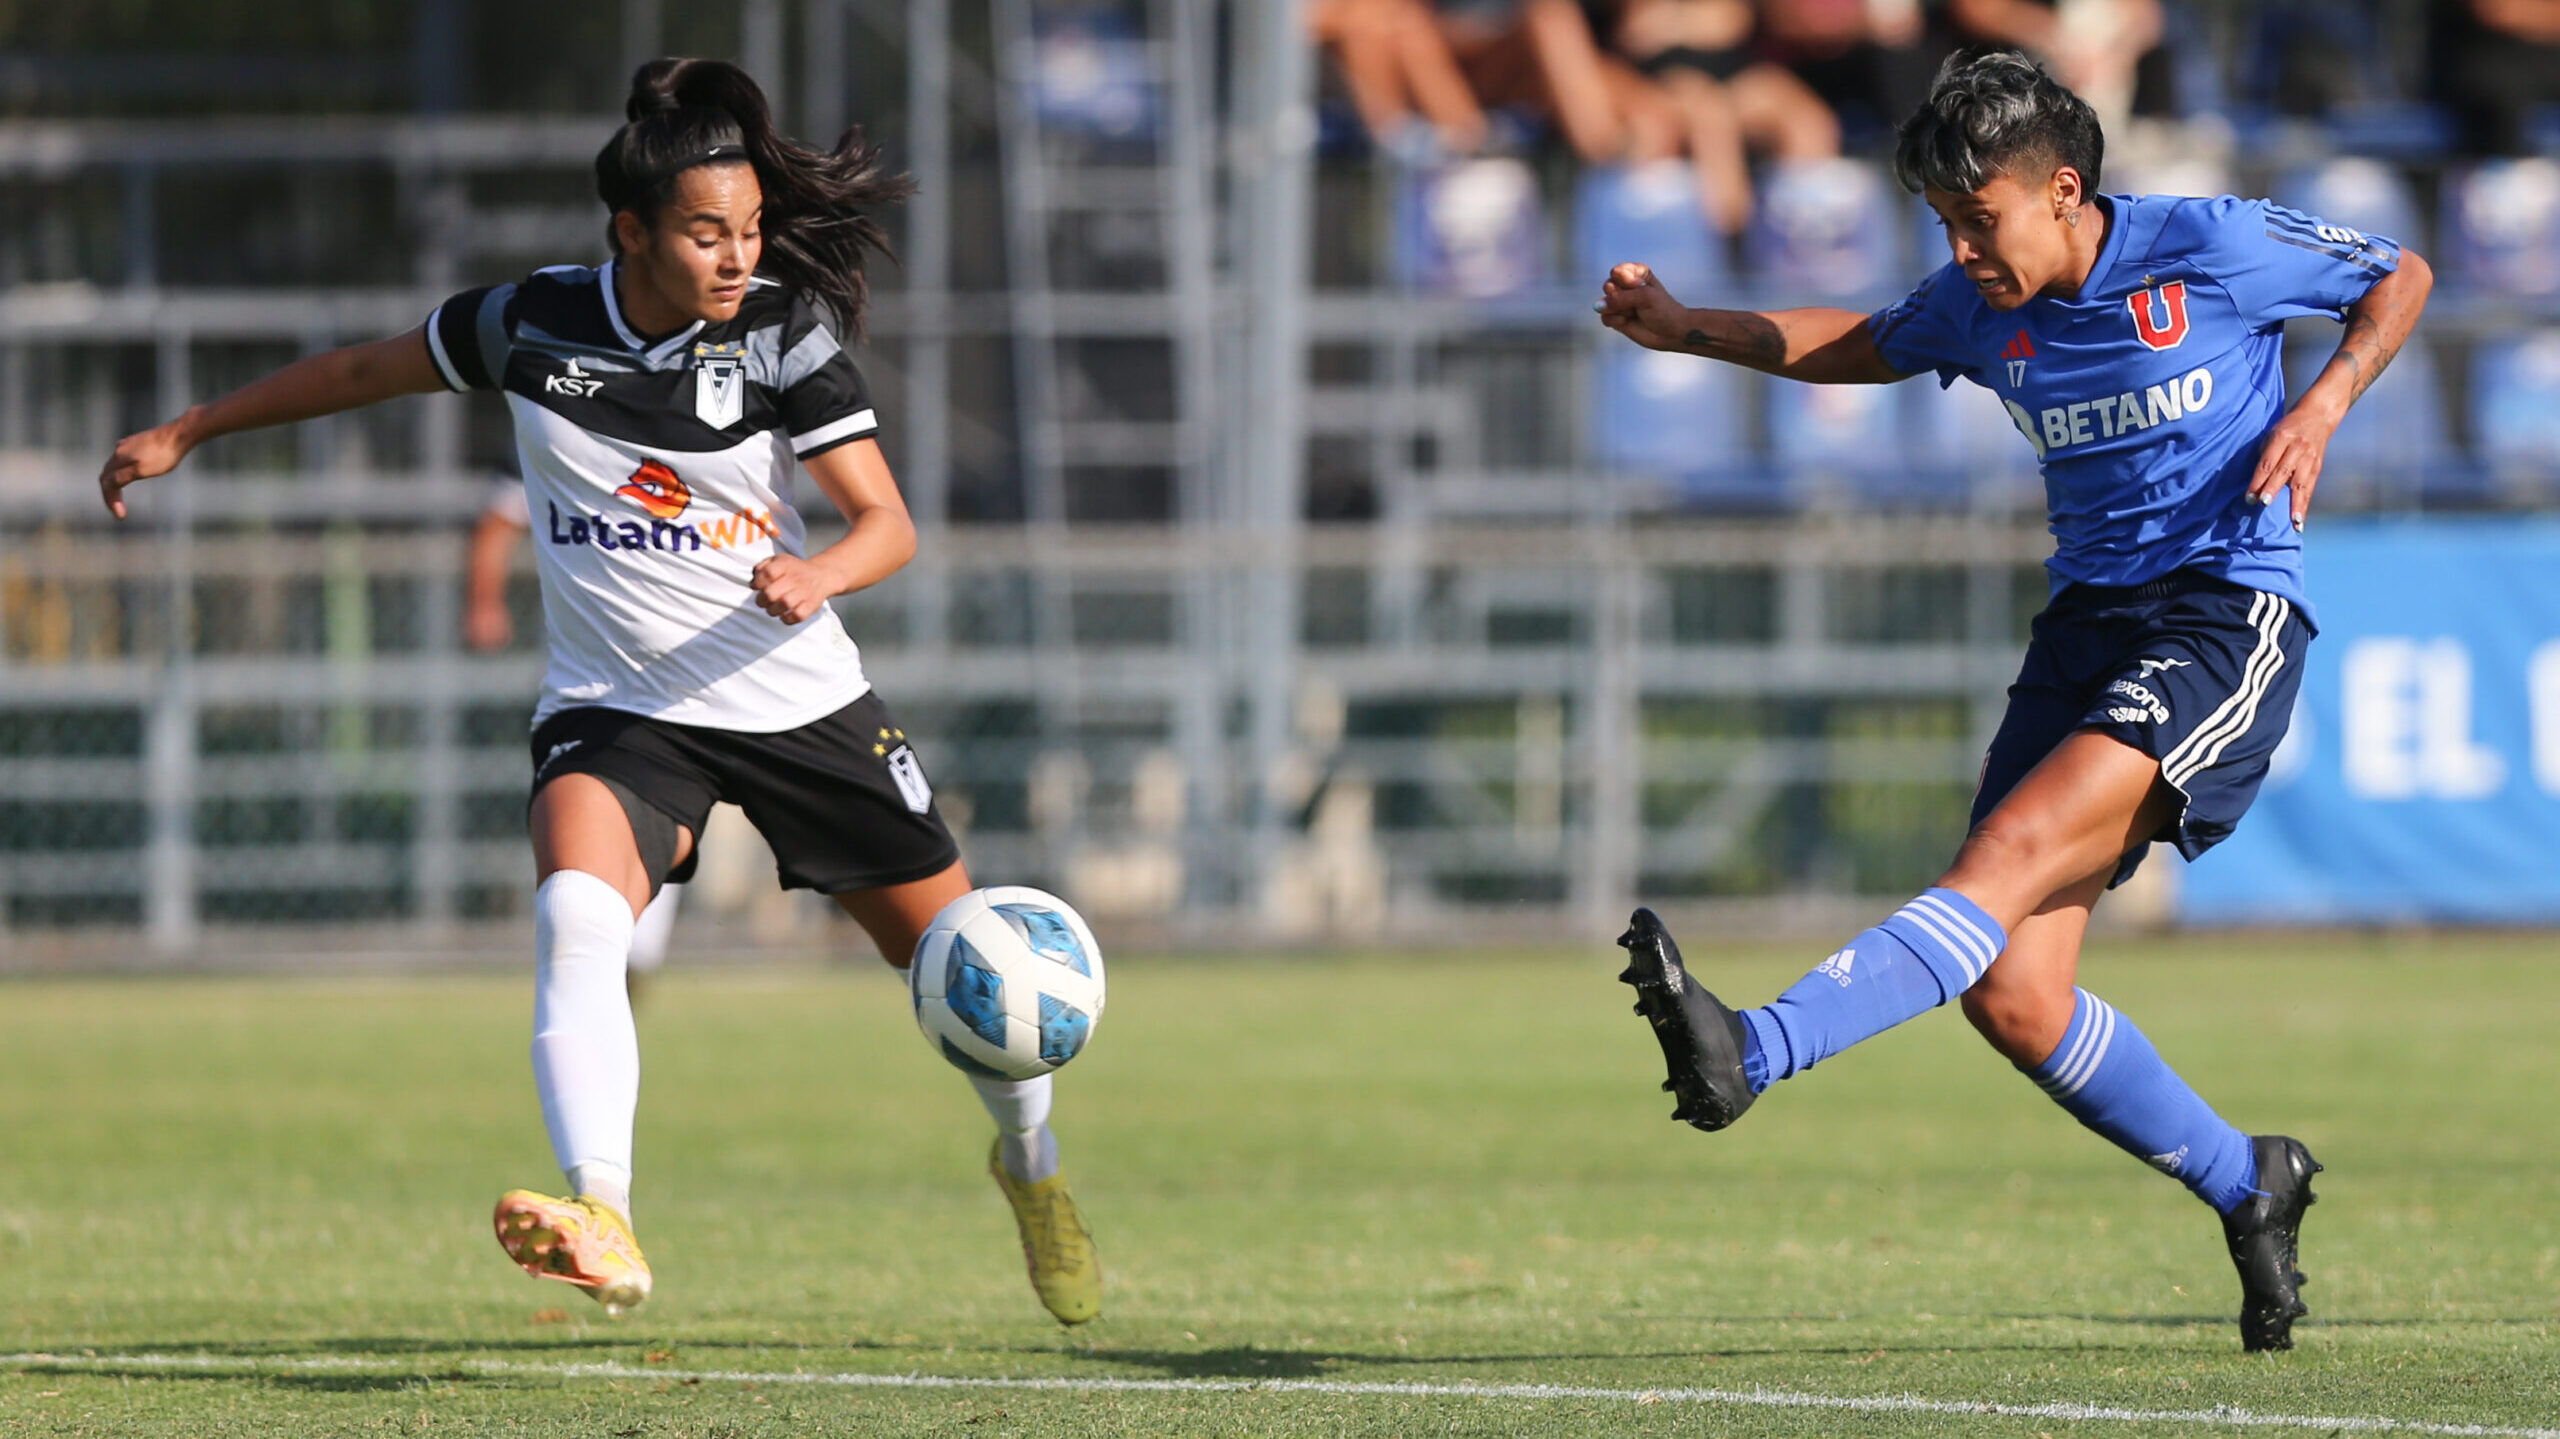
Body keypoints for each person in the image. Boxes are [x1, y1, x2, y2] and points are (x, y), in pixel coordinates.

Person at [95, 58, 1101, 1327]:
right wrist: (190, 430)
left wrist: (820, 571)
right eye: (704, 233)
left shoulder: (781, 330)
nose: (736, 256)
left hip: (796, 700)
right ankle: (605, 1212)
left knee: (969, 976)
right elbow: (360, 372)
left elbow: (886, 523)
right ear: (629, 232)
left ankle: (1031, 1162)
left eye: (747, 231)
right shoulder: (530, 324)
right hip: (619, 711)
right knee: (579, 917)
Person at [1595, 47, 2431, 1351]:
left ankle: (1754, 1048)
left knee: (2006, 856)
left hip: (2224, 613)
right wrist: (1688, 325)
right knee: (2015, 993)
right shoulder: (1983, 304)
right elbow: (1866, 340)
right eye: (1944, 223)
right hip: (2083, 633)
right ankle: (2248, 1176)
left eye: (1977, 219)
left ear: (2065, 189)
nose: (1964, 248)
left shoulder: (2212, 245)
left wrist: (2324, 401)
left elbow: (2400, 274)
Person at [465, 467, 682, 1004]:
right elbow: (500, 517)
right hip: (587, 680)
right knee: (580, 810)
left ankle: (629, 955)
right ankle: (595, 947)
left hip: (679, 675)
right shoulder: (567, 424)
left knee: (673, 813)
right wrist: (484, 603)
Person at [1592, 0, 1841, 234]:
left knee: (1807, 124)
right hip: (1660, 72)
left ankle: (1801, 246)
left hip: (1738, 68)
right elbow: (1631, 29)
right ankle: (1730, 244)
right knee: (1711, 120)